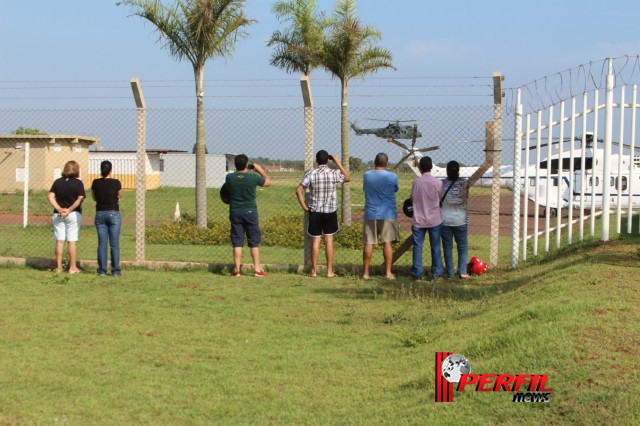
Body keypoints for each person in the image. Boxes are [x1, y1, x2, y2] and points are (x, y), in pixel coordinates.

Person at [295, 150, 350, 277]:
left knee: (315, 241)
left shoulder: (311, 173)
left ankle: (313, 271)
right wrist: (337, 162)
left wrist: (304, 206)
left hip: (315, 211)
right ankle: (329, 271)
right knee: (329, 240)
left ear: (316, 160)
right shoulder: (334, 173)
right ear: (328, 161)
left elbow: (298, 190)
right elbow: (347, 178)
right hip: (330, 211)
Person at [225, 154, 271, 277]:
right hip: (250, 212)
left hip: (235, 211)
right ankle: (257, 269)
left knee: (237, 241)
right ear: (247, 164)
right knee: (254, 241)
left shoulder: (229, 177)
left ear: (235, 165)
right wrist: (259, 169)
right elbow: (268, 182)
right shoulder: (253, 177)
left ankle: (236, 270)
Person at [362, 153, 400, 280]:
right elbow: (395, 189)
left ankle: (366, 273)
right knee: (387, 243)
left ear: (374, 162)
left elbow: (365, 188)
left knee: (369, 243)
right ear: (386, 163)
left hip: (371, 213)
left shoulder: (366, 175)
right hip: (387, 213)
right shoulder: (392, 176)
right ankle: (388, 273)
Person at [47, 160, 86, 274]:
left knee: (60, 241)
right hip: (73, 214)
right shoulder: (78, 183)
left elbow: (50, 196)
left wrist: (59, 208)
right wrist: (69, 210)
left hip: (58, 214)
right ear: (76, 170)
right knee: (72, 241)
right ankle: (72, 267)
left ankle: (59, 267)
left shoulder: (58, 182)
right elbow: (80, 198)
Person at [410, 156, 444, 281]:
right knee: (435, 247)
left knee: (417, 247)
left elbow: (412, 198)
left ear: (420, 168)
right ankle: (437, 273)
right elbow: (440, 198)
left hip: (419, 219)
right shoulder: (438, 182)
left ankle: (417, 274)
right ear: (431, 167)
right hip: (435, 219)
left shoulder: (416, 182)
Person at [91, 160, 123, 277]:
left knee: (102, 243)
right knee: (114, 243)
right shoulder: (116, 182)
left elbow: (94, 198)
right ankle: (115, 271)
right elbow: (119, 196)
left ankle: (102, 270)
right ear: (111, 170)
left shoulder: (95, 182)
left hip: (100, 213)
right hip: (113, 213)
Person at [441, 161, 470, 279]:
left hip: (445, 220)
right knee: (462, 246)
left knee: (447, 247)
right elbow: (466, 197)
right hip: (461, 219)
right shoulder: (464, 183)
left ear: (447, 171)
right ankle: (462, 271)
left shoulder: (441, 183)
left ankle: (450, 272)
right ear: (458, 170)